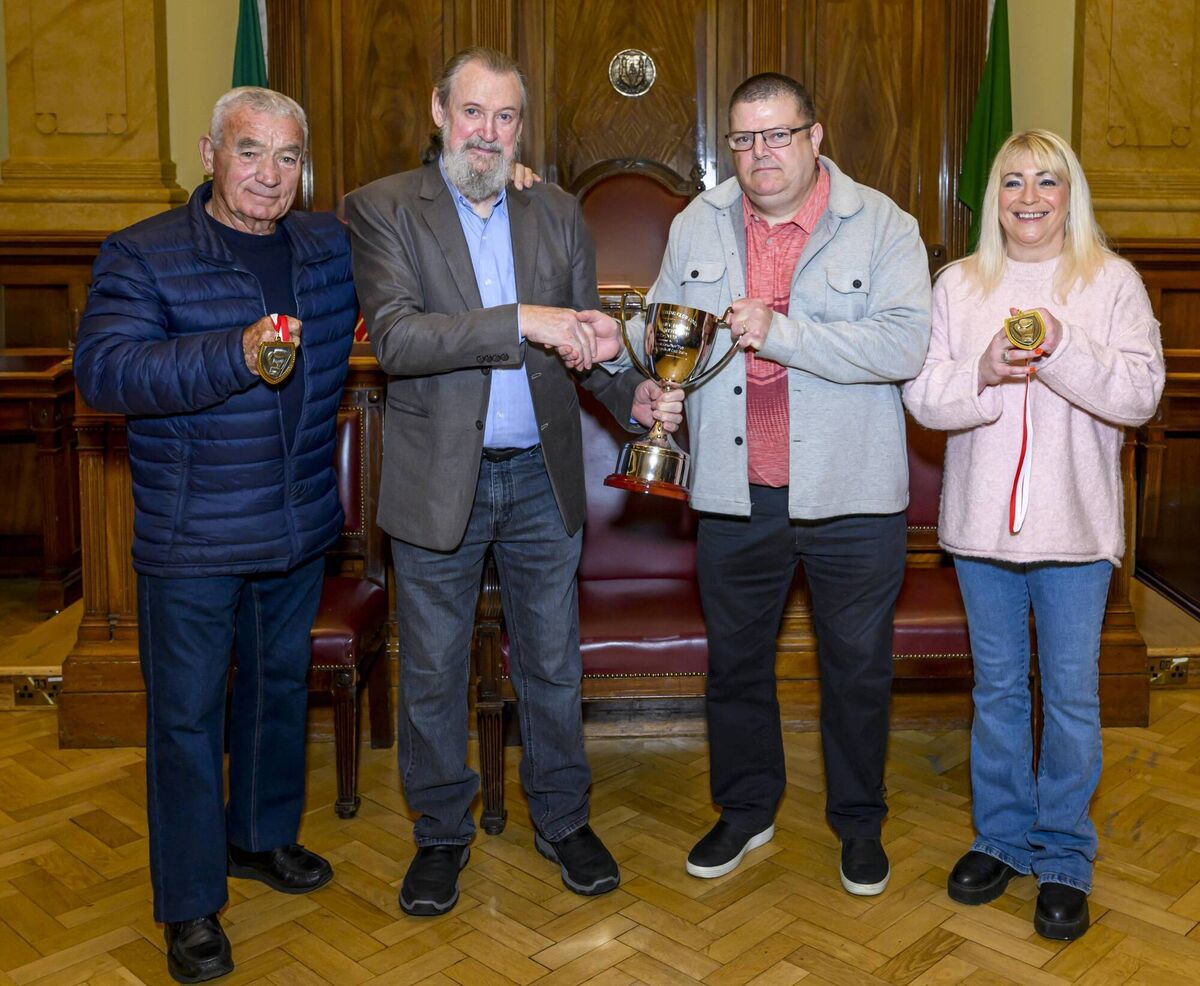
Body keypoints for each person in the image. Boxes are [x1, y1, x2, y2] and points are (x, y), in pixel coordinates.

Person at [344, 47, 666, 917]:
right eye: (474, 112)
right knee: (437, 671)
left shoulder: (555, 212)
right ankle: (441, 834)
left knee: (555, 666)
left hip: (539, 482)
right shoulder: (381, 210)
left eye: (507, 117)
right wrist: (522, 317)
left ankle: (564, 819)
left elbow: (581, 346)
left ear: (523, 128)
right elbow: (401, 340)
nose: (489, 133)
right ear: (440, 113)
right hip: (436, 482)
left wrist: (629, 391)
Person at [74, 88, 358, 983]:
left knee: (277, 695)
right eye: (249, 152)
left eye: (286, 157)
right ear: (211, 152)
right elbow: (106, 372)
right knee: (187, 723)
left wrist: (513, 177)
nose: (268, 175)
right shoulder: (143, 252)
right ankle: (191, 903)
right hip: (191, 534)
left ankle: (261, 837)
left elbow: (417, 229)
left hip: (297, 522)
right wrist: (230, 353)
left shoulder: (325, 244)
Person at [640, 72, 931, 894]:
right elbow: (667, 325)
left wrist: (786, 334)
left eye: (777, 135)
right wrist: (647, 373)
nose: (759, 154)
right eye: (743, 138)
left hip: (852, 497)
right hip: (736, 492)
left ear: (815, 135)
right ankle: (745, 810)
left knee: (856, 670)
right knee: (734, 665)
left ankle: (858, 823)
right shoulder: (696, 223)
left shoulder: (884, 226)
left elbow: (904, 347)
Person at [903, 129, 1164, 940]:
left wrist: (1062, 345)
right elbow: (924, 397)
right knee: (1000, 694)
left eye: (1046, 181)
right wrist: (981, 372)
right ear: (994, 196)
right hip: (981, 532)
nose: (1028, 197)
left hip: (1076, 534)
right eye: (1012, 181)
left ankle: (1062, 855)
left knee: (1073, 698)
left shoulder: (1112, 282)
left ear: (1069, 194)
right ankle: (1004, 837)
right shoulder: (958, 283)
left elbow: (1140, 396)